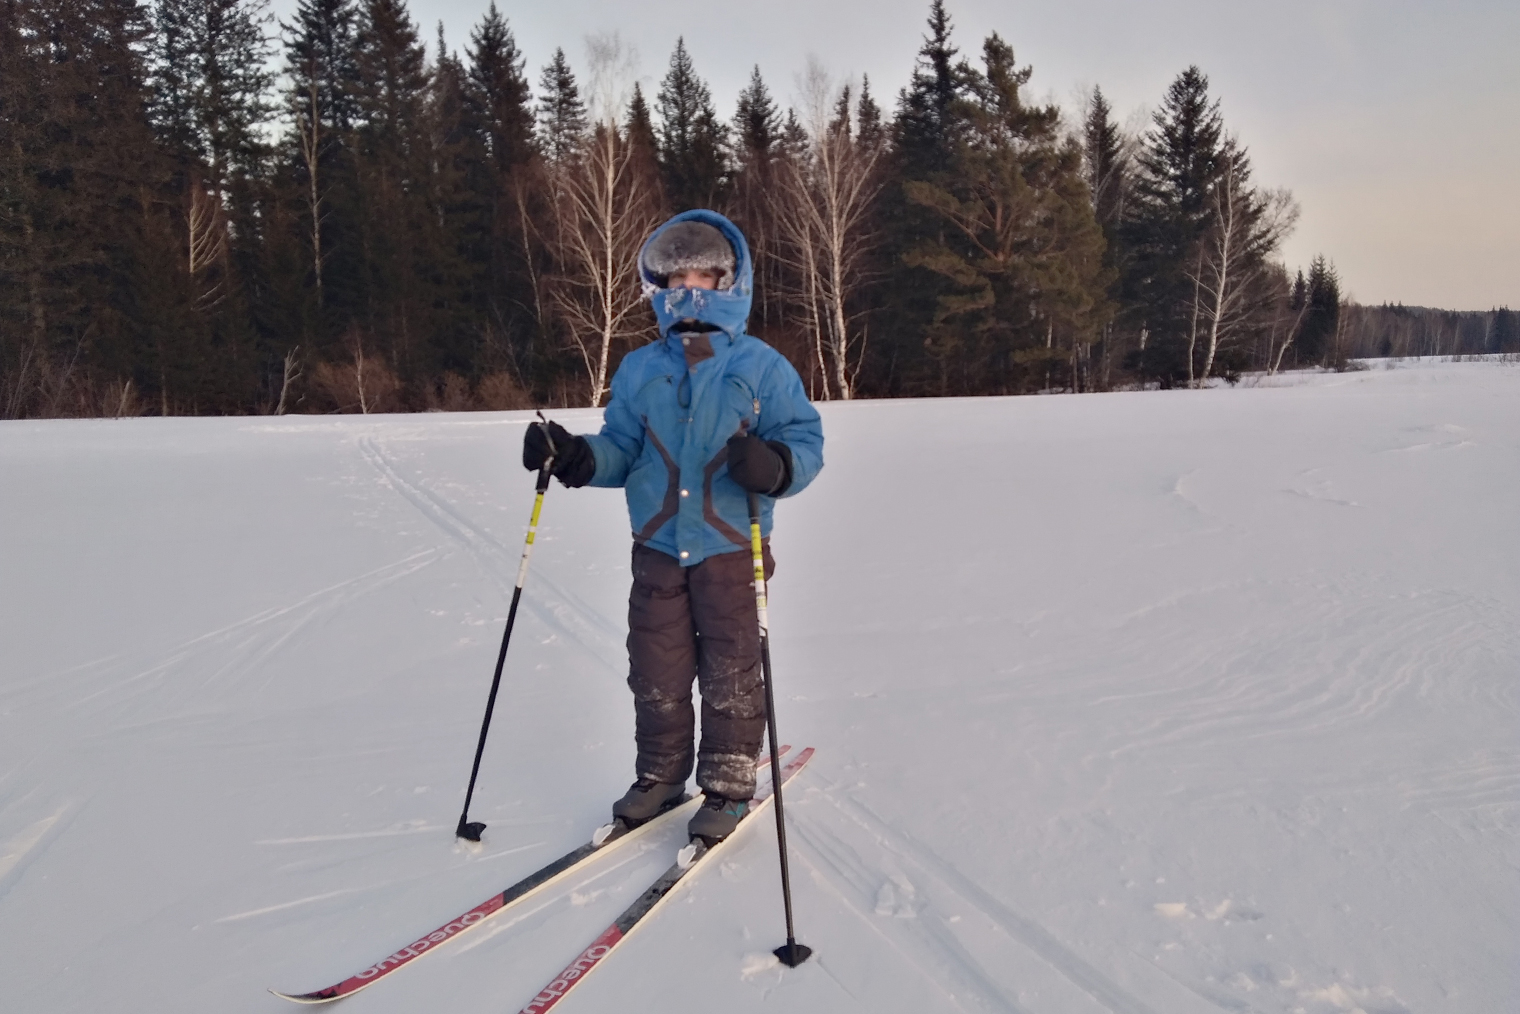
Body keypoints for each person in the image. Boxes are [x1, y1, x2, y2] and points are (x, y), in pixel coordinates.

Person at [522, 210, 823, 842]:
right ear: (656, 287)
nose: (690, 289)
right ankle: (660, 775)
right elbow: (622, 449)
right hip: (657, 546)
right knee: (655, 666)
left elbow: (806, 442)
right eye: (676, 276)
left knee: (731, 668)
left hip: (732, 548)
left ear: (729, 282)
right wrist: (574, 456)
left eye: (703, 277)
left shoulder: (763, 366)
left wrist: (776, 465)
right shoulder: (639, 369)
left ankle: (729, 781)